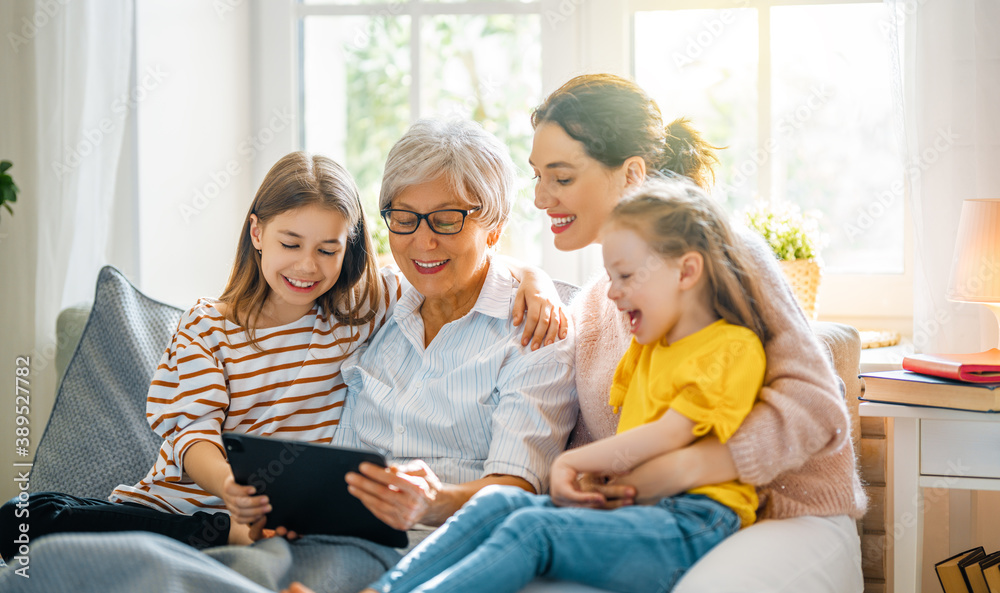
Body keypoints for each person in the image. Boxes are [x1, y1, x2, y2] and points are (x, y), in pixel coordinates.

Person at [0, 120, 577, 593]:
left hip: (362, 539)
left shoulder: (509, 328)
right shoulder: (374, 301)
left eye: (448, 219)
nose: (423, 242)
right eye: (404, 219)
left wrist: (535, 281)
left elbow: (516, 485)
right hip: (228, 517)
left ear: (495, 226)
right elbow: (190, 428)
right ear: (257, 234)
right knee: (30, 521)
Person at [317, 177, 770, 593]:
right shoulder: (648, 345)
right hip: (637, 510)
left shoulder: (730, 346)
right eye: (610, 277)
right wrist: (530, 275)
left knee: (532, 530)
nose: (611, 293)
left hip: (693, 520)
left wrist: (567, 468)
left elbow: (669, 434)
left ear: (687, 273)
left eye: (626, 277)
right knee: (495, 508)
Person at [528, 73, 867, 592]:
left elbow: (817, 407)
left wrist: (695, 465)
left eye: (561, 177)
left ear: (631, 173)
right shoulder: (595, 304)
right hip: (662, 523)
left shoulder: (727, 255)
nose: (539, 198)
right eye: (536, 176)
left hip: (782, 511)